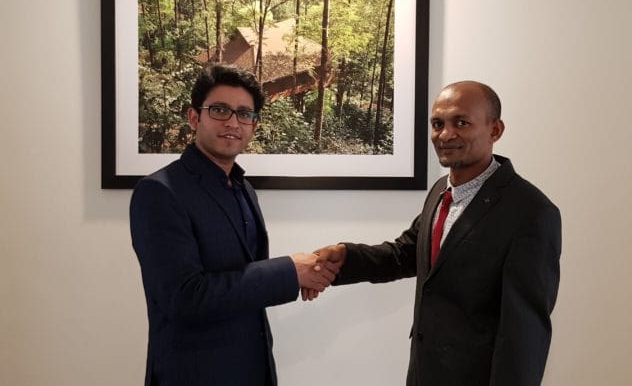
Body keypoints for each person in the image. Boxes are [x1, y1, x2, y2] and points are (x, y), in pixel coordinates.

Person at [310, 81, 562, 385]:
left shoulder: (531, 213)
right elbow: (405, 254)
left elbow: (525, 335)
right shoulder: (442, 190)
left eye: (461, 122)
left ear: (495, 130)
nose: (445, 134)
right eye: (438, 124)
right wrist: (346, 257)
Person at [130, 64, 335, 385]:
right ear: (194, 117)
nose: (232, 122)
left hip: (253, 369)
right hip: (193, 376)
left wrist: (304, 272)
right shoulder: (159, 191)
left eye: (244, 114)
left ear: (254, 125)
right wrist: (290, 271)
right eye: (219, 110)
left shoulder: (244, 188)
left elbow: (245, 282)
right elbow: (184, 297)